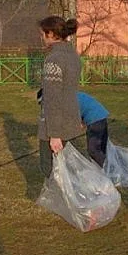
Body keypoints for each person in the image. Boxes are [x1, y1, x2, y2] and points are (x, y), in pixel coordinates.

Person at [38, 15, 82, 177]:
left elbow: (53, 98)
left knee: (51, 170)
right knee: (71, 169)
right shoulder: (73, 56)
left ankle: (62, 200)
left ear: (50, 34)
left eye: (42, 34)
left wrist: (54, 134)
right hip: (71, 120)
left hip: (55, 126)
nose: (42, 38)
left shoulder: (53, 60)